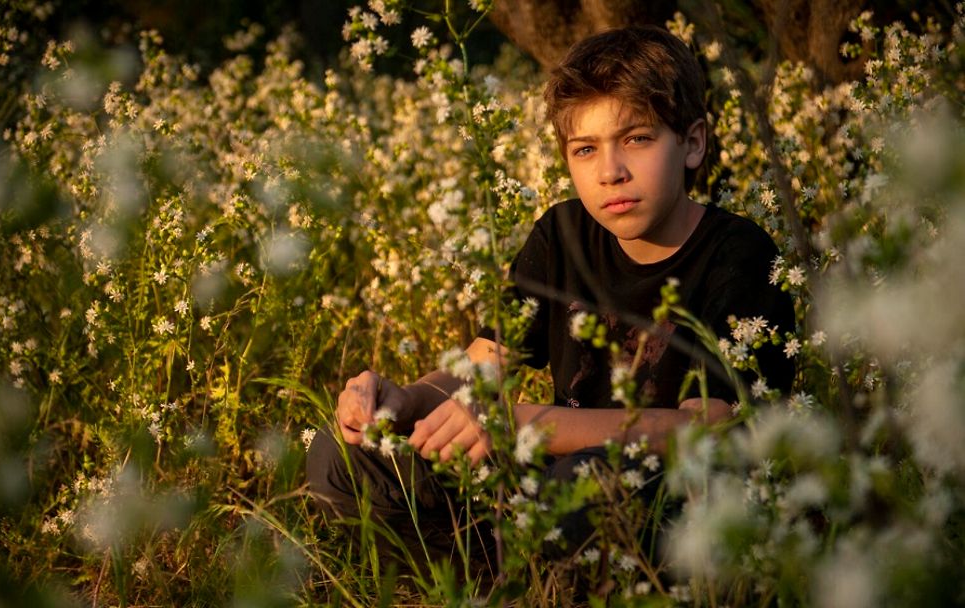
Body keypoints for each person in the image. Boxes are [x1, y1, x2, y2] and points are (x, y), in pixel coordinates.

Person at [307, 25, 794, 562]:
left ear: (693, 142)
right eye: (585, 149)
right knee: (339, 457)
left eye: (637, 139)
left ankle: (531, 562)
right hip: (550, 477)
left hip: (665, 494)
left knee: (580, 492)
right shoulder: (562, 235)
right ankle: (498, 573)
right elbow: (480, 368)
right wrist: (403, 400)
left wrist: (522, 424)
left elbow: (705, 431)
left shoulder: (739, 254)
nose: (610, 172)